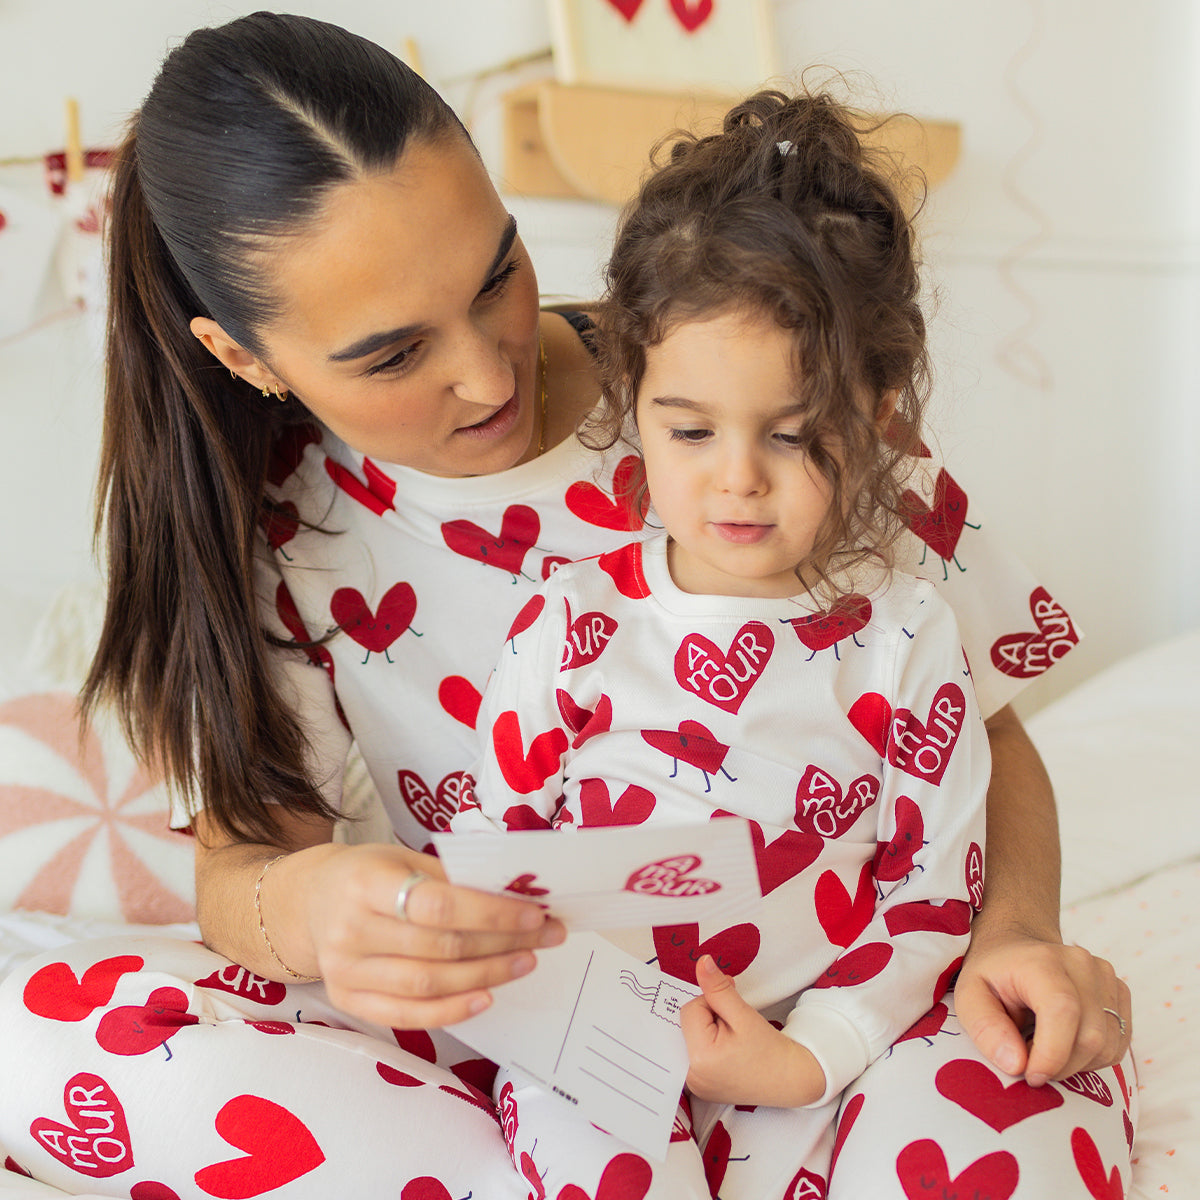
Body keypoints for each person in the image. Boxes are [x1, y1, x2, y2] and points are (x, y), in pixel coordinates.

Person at [0, 12, 1132, 1199]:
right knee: (48, 1024)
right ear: (245, 357)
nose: (489, 373)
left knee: (1014, 1088)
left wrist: (1011, 937)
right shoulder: (284, 532)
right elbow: (243, 866)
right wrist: (315, 909)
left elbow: (984, 734)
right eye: (392, 355)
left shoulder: (751, 372)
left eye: (496, 272)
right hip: (543, 1041)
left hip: (857, 1009)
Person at [449, 88, 992, 1198]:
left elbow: (935, 890)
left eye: (796, 436)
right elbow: (496, 852)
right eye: (689, 431)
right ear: (632, 396)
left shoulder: (904, 634)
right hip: (592, 1042)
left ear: (880, 410)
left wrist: (812, 1056)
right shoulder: (572, 621)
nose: (737, 477)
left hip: (826, 1046)